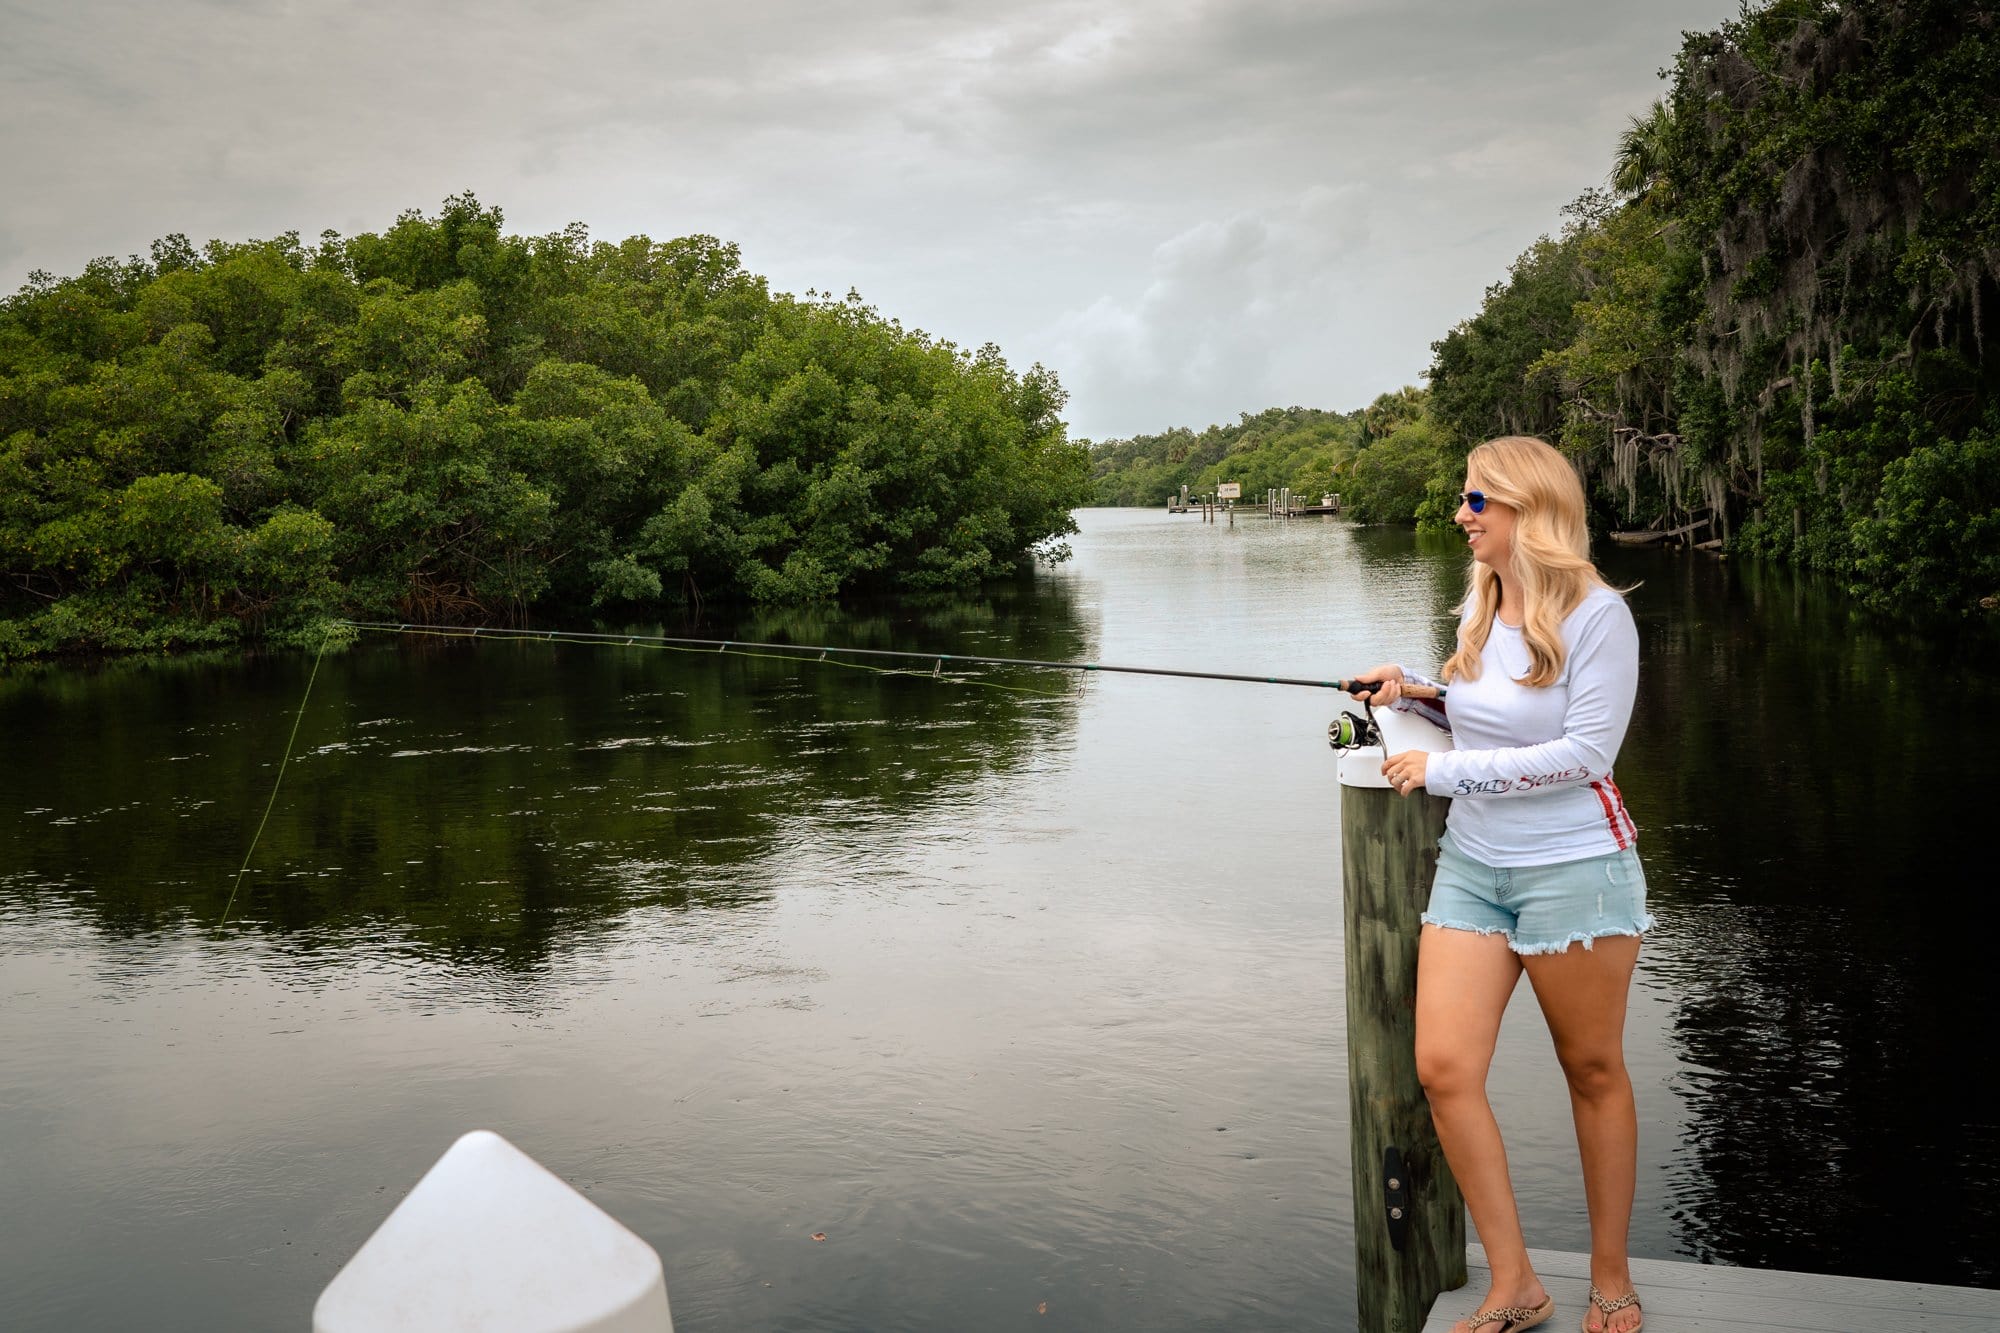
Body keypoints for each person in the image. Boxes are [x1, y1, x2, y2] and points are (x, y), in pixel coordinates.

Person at [1350, 435, 1650, 1333]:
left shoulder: (1600, 616)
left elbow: (1584, 753)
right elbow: (1489, 714)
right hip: (1476, 867)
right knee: (1444, 1068)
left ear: (1528, 507)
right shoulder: (1479, 606)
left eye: (1476, 500)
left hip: (1574, 869)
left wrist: (1441, 775)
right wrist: (1412, 692)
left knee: (1591, 1069)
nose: (1460, 515)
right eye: (1464, 500)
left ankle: (1610, 1279)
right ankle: (1515, 1281)